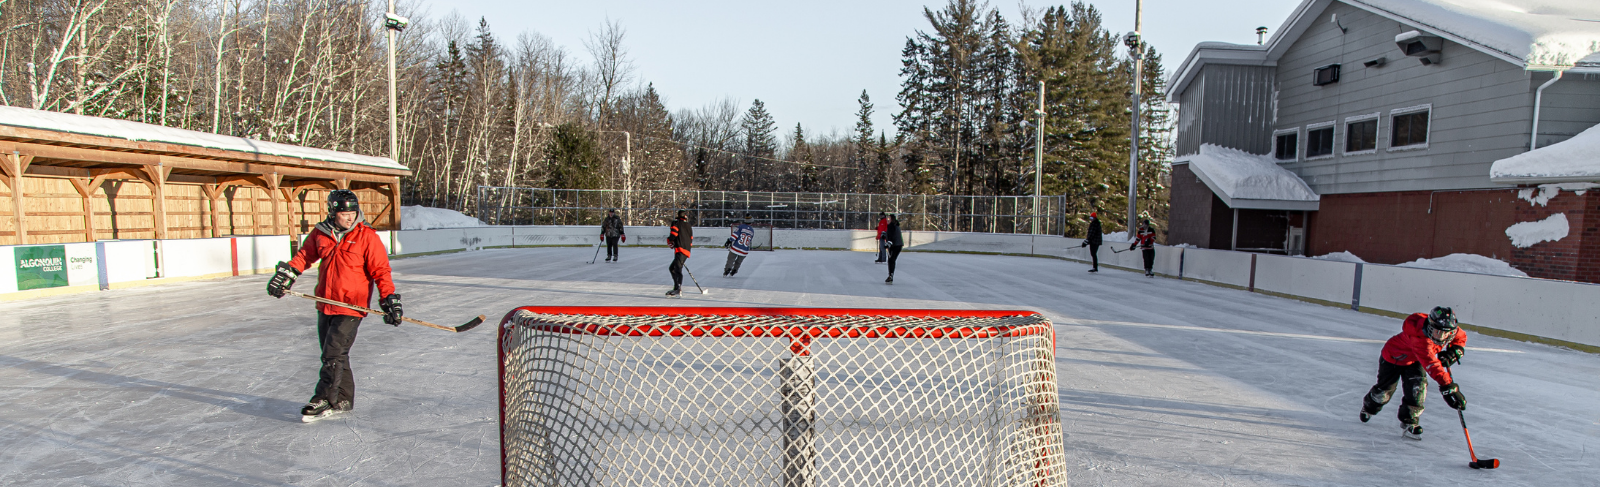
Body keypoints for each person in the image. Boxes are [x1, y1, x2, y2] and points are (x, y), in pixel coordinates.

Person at [267, 189, 401, 421]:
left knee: (333, 353)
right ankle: (343, 399)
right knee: (336, 355)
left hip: (351, 306)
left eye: (353, 212)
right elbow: (304, 257)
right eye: (344, 213)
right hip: (325, 304)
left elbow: (381, 271)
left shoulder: (366, 236)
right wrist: (287, 275)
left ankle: (323, 398)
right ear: (332, 212)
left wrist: (388, 298)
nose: (350, 217)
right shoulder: (321, 233)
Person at [1361, 306, 1469, 439]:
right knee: (1383, 393)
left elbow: (1461, 337)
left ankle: (1409, 421)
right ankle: (1369, 407)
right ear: (1430, 327)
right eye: (1436, 332)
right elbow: (1432, 364)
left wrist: (1455, 351)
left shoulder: (1451, 330)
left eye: (1445, 333)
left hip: (1416, 361)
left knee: (1418, 389)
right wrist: (1448, 387)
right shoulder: (1420, 338)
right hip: (1393, 358)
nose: (1441, 337)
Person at [666, 210, 694, 296]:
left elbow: (673, 235)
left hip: (680, 249)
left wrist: (670, 241)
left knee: (677, 268)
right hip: (686, 250)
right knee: (673, 268)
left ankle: (678, 288)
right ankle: (676, 287)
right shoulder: (688, 225)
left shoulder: (676, 223)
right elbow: (691, 238)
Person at [884, 214, 904, 283]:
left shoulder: (891, 226)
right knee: (892, 260)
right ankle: (891, 275)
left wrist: (888, 243)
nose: (887, 220)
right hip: (898, 245)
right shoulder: (896, 225)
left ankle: (890, 275)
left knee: (891, 260)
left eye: (888, 219)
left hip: (894, 245)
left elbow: (891, 236)